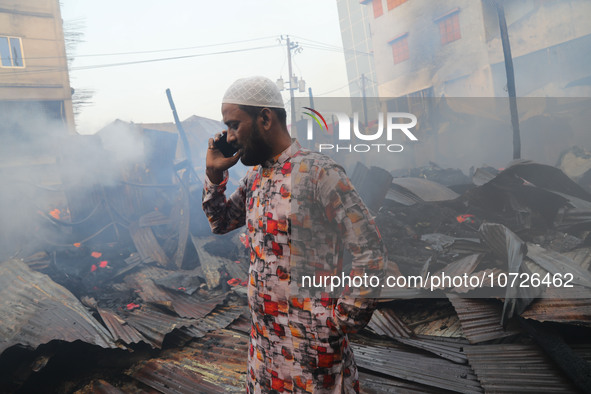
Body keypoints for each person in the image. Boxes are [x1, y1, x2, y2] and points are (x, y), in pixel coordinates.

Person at [202, 76, 385, 393]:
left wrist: (338, 322)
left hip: (311, 354)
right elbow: (220, 222)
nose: (230, 137)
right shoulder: (254, 176)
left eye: (234, 125)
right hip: (264, 350)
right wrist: (214, 175)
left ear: (265, 118)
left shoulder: (318, 172)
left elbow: (371, 253)